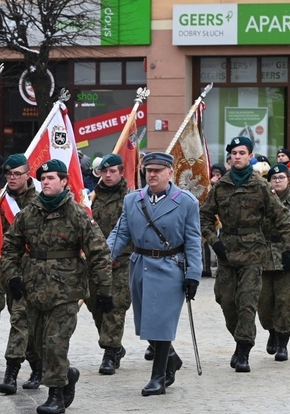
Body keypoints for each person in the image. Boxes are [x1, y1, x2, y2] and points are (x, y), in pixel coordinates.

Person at [2, 159, 112, 414]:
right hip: (33, 288)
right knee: (37, 344)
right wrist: (13, 277)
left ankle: (55, 396)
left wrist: (104, 290)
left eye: (51, 178)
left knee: (55, 342)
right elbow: (9, 248)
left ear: (64, 181)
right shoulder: (29, 213)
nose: (46, 182)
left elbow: (99, 253)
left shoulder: (76, 214)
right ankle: (66, 375)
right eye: (43, 179)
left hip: (66, 289)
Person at [108, 152, 202, 396]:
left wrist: (193, 274)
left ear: (170, 173)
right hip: (140, 266)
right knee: (146, 325)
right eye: (149, 170)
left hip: (170, 266)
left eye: (158, 170)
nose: (152, 174)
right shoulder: (132, 200)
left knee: (160, 323)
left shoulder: (186, 202)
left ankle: (158, 377)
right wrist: (104, 257)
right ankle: (171, 358)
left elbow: (193, 240)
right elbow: (120, 232)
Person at [201, 136, 290, 372]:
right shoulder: (220, 187)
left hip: (253, 253)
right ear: (229, 157)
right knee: (226, 301)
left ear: (250, 156)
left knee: (247, 303)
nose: (237, 156)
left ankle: (243, 350)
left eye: (242, 153)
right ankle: (239, 338)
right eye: (234, 153)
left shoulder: (260, 186)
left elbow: (282, 219)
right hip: (227, 253)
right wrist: (214, 242)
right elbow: (204, 218)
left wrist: (288, 248)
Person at [0, 154, 42, 393]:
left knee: (20, 322)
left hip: (36, 274)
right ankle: (37, 365)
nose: (12, 178)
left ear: (27, 175)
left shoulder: (40, 201)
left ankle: (11, 372)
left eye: (17, 174)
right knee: (27, 325)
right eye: (9, 174)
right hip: (9, 273)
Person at [86, 154, 131, 375]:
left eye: (113, 171)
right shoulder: (91, 198)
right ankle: (113, 344)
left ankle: (110, 352)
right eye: (105, 171)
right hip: (94, 263)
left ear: (121, 173)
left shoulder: (131, 198)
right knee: (96, 306)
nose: (109, 175)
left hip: (120, 262)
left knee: (115, 306)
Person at [258, 164, 290, 361]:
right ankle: (271, 330)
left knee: (285, 301)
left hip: (286, 254)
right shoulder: (264, 200)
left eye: (281, 177)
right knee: (264, 302)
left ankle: (283, 342)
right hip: (263, 256)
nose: (277, 181)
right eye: (274, 178)